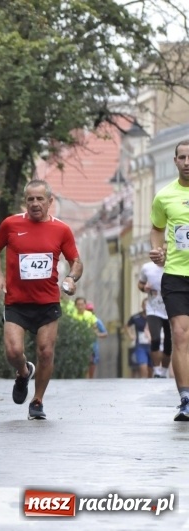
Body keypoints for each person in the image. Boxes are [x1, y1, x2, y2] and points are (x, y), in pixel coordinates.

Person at [0, 179, 82, 420]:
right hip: (16, 302)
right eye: (30, 199)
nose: (34, 203)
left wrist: (72, 278)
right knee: (13, 351)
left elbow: (76, 261)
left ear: (50, 201)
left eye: (40, 199)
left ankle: (38, 401)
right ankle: (23, 372)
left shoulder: (61, 230)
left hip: (47, 303)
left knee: (45, 352)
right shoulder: (10, 224)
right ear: (25, 201)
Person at [149, 139, 189, 420]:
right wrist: (157, 249)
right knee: (179, 334)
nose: (187, 162)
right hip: (175, 275)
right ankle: (185, 398)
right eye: (182, 157)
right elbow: (156, 228)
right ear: (175, 161)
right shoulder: (164, 196)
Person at [138, 261, 172, 378]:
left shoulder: (174, 265)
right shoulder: (147, 267)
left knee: (169, 342)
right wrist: (144, 288)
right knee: (156, 338)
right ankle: (157, 370)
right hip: (153, 309)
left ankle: (164, 370)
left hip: (171, 309)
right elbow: (140, 284)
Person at [126, 300, 151, 378]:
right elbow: (127, 326)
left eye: (148, 305)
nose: (146, 307)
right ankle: (144, 383)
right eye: (145, 305)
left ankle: (151, 385)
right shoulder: (136, 317)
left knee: (151, 368)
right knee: (143, 366)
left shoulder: (155, 318)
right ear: (142, 306)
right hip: (140, 345)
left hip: (153, 345)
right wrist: (131, 335)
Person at [85, 302, 108, 378]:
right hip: (83, 345)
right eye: (88, 310)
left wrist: (97, 334)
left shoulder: (97, 321)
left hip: (93, 346)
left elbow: (105, 333)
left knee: (92, 363)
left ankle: (90, 380)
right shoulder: (81, 318)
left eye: (91, 310)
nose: (89, 312)